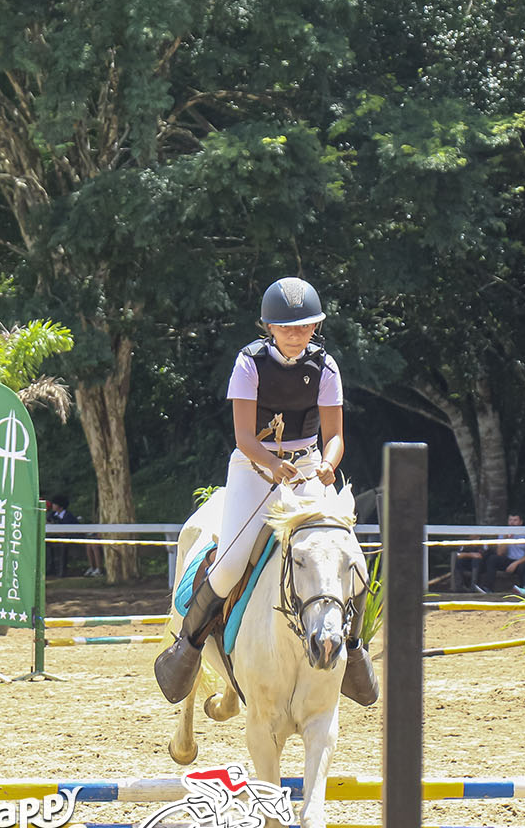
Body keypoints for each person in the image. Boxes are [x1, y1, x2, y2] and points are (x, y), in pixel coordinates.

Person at [154, 276, 375, 707]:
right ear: (269, 327)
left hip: (306, 466)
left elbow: (335, 436)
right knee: (233, 560)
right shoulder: (249, 363)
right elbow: (244, 438)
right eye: (287, 326)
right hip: (255, 468)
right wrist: (273, 466)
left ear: (316, 327)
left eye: (305, 326)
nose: (296, 334)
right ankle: (188, 646)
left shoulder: (326, 366)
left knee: (348, 557)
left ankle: (352, 650)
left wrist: (328, 465)